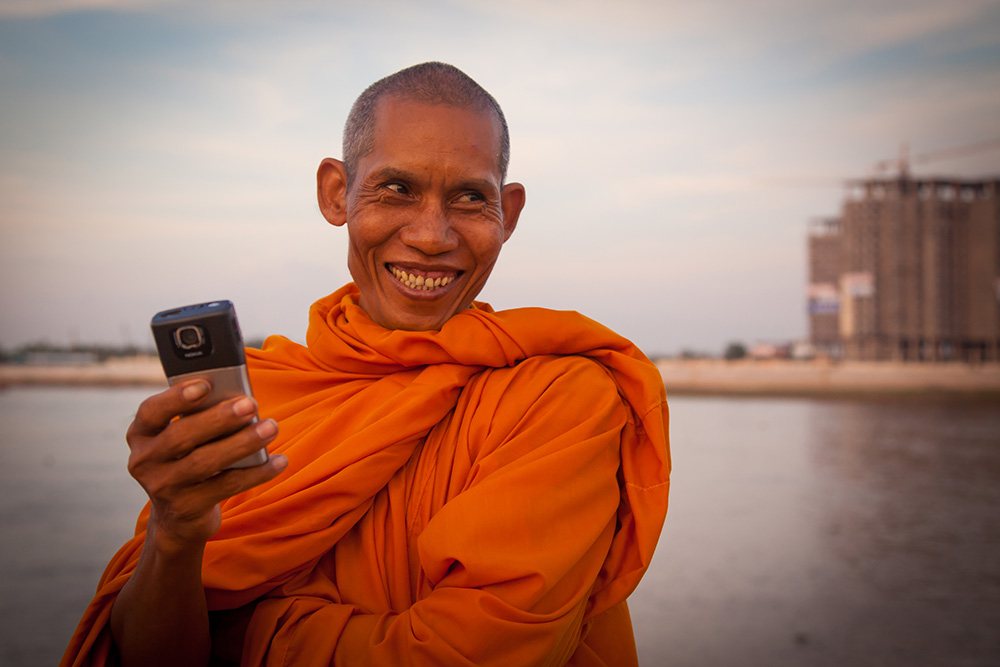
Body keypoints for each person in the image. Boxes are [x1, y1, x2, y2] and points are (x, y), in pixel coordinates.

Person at [61, 62, 670, 667]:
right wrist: (175, 532)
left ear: (506, 214)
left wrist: (241, 634)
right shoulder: (268, 397)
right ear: (336, 193)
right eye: (397, 189)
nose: (432, 236)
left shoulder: (559, 399)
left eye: (469, 198)